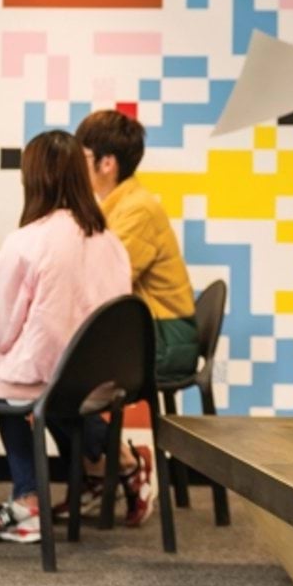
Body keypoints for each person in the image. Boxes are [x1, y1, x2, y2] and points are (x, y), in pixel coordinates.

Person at [0, 130, 132, 543]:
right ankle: (26, 501)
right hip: (98, 386)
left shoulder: (27, 240)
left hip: (45, 378)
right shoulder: (111, 241)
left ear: (33, 179)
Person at [74, 110, 198, 383]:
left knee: (63, 368)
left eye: (81, 158)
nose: (75, 166)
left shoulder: (137, 210)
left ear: (107, 163)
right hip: (153, 333)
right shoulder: (118, 206)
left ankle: (94, 429)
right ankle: (93, 428)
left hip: (166, 340)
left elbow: (106, 282)